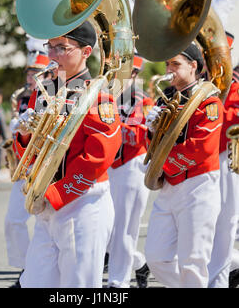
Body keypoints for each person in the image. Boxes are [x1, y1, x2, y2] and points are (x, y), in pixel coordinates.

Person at [12, 21, 122, 288]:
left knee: (78, 287)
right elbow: (28, 151)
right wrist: (25, 134)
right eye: (50, 46)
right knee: (35, 283)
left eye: (62, 47)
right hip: (47, 202)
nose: (52, 55)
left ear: (85, 52)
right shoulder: (43, 92)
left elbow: (99, 154)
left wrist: (55, 193)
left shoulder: (98, 95)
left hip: (83, 202)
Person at [144, 42, 223, 288]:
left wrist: (161, 164)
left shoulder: (208, 102)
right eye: (168, 64)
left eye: (175, 64)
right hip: (170, 186)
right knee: (155, 258)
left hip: (197, 185)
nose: (169, 69)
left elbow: (202, 147)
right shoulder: (163, 100)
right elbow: (153, 145)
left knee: (192, 262)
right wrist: (151, 130)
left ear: (193, 66)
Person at [4, 35, 50, 288]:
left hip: (44, 163)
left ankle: (30, 276)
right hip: (22, 164)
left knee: (45, 224)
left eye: (36, 71)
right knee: (13, 220)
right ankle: (25, 270)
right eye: (29, 71)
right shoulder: (23, 96)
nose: (30, 75)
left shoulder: (52, 93)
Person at [106, 53, 153, 288]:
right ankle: (139, 263)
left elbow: (137, 137)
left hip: (132, 166)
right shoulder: (107, 97)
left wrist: (112, 124)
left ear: (134, 74)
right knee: (106, 229)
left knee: (124, 228)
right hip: (109, 167)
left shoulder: (142, 100)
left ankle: (118, 282)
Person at [207, 42, 239, 288]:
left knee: (226, 221)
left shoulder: (234, 85)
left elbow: (232, 121)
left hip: (226, 156)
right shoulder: (200, 83)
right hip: (201, 158)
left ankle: (218, 278)